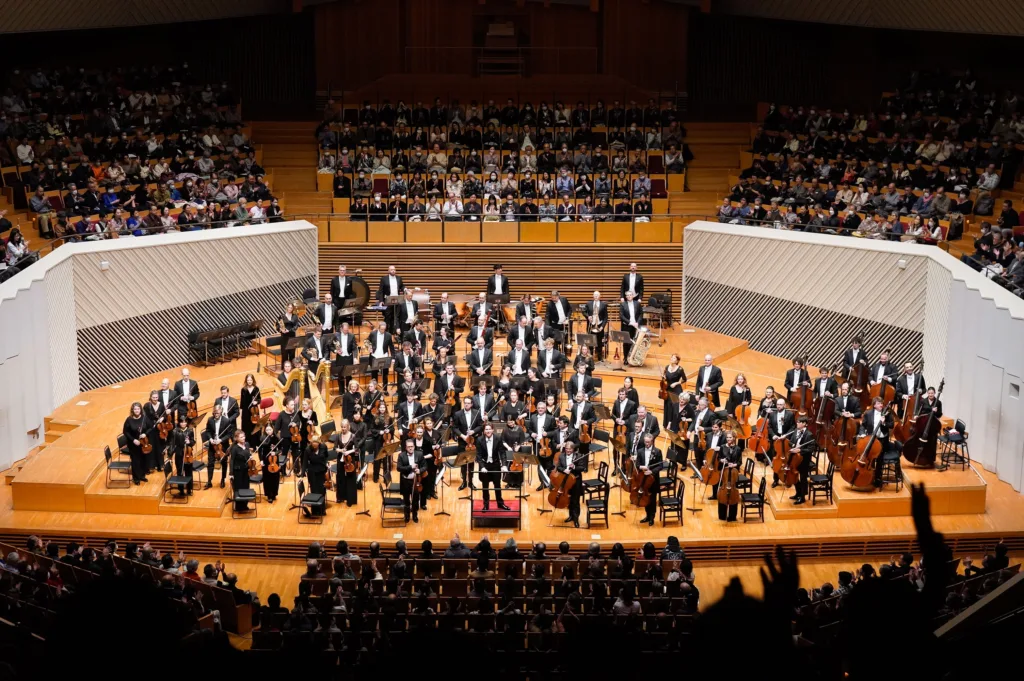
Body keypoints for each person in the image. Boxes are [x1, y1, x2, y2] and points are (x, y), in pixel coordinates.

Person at [476, 424, 510, 511]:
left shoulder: (498, 438)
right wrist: (482, 467)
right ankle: (486, 504)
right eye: (486, 429)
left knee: (497, 485)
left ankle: (500, 504)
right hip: (485, 465)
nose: (488, 431)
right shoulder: (479, 440)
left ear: (492, 430)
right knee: (485, 486)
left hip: (495, 464)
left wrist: (504, 465)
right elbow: (478, 455)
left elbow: (502, 453)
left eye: (489, 429)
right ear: (484, 431)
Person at [453, 397, 482, 490]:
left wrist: (473, 431)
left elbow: (481, 426)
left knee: (471, 462)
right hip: (463, 442)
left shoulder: (476, 413)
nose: (466, 404)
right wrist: (463, 436)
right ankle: (464, 482)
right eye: (465, 403)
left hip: (473, 442)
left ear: (472, 404)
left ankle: (470, 482)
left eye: (468, 403)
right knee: (463, 462)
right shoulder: (458, 414)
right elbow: (454, 428)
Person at [633, 433, 662, 526]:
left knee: (652, 499)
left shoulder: (657, 451)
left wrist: (651, 472)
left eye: (648, 442)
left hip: (652, 480)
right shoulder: (640, 451)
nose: (646, 444)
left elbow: (660, 466)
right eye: (645, 442)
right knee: (645, 498)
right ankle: (647, 516)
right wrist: (641, 467)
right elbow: (637, 464)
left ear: (652, 441)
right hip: (643, 479)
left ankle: (651, 518)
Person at [204, 404, 235, 489]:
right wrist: (210, 439)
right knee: (210, 463)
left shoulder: (226, 421)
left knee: (224, 463)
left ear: (221, 412)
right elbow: (208, 431)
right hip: (212, 445)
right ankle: (209, 481)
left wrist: (220, 440)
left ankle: (222, 479)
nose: (216, 415)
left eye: (217, 413)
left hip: (223, 445)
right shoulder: (210, 420)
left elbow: (229, 434)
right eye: (214, 413)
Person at [555, 441, 586, 527]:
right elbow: (559, 467)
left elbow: (582, 468)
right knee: (569, 500)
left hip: (576, 481)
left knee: (575, 501)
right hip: (566, 482)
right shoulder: (561, 456)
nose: (568, 451)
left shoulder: (578, 456)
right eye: (567, 449)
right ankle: (571, 516)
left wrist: (574, 467)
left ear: (573, 449)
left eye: (570, 449)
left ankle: (576, 519)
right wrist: (564, 470)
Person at [787, 417, 814, 504]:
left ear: (804, 424)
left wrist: (800, 450)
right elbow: (790, 442)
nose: (797, 424)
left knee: (803, 478)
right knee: (795, 477)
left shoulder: (809, 434)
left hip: (804, 460)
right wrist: (793, 445)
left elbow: (810, 449)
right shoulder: (796, 431)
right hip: (795, 459)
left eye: (799, 422)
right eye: (797, 422)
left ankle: (802, 497)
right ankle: (798, 493)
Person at [122, 402, 150, 485]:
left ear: (141, 409)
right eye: (135, 409)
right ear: (132, 410)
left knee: (143, 460)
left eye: (138, 409)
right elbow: (125, 432)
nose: (137, 411)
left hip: (144, 443)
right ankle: (136, 478)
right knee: (135, 461)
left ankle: (142, 476)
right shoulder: (129, 419)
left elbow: (150, 427)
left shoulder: (145, 418)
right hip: (133, 444)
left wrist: (146, 434)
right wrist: (133, 440)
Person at [397, 439, 425, 522]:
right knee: (406, 500)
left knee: (415, 500)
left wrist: (420, 470)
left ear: (414, 447)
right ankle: (407, 516)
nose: (410, 448)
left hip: (416, 481)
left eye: (412, 446)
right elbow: (399, 468)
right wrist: (410, 467)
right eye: (408, 447)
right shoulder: (401, 455)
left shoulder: (419, 454)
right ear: (406, 447)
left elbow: (425, 466)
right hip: (405, 481)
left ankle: (415, 516)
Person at [335, 419, 361, 507]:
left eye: (345, 427)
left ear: (348, 427)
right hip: (341, 459)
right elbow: (335, 448)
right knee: (340, 477)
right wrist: (341, 450)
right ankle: (341, 497)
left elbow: (357, 449)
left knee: (350, 478)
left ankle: (350, 499)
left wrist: (348, 452)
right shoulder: (338, 436)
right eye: (342, 427)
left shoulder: (352, 436)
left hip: (350, 459)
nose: (343, 429)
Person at [167, 416, 196, 496]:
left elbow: (193, 442)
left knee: (189, 472)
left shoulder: (190, 431)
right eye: (182, 422)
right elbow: (172, 444)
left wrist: (189, 442)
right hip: (179, 453)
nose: (183, 423)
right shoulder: (175, 431)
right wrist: (170, 455)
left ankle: (189, 489)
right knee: (180, 472)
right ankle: (181, 490)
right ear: (179, 422)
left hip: (188, 453)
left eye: (185, 422)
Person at [227, 431, 254, 513]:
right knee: (238, 488)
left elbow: (248, 455)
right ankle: (239, 507)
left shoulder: (247, 445)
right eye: (241, 437)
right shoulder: (234, 448)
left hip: (246, 470)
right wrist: (231, 473)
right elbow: (231, 461)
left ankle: (245, 505)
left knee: (246, 487)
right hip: (237, 471)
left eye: (244, 436)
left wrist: (251, 457)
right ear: (237, 438)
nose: (243, 438)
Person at [254, 423, 280, 503]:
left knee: (275, 477)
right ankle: (269, 495)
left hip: (275, 460)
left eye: (270, 430)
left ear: (273, 430)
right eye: (267, 430)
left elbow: (281, 449)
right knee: (267, 478)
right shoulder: (262, 438)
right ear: (265, 431)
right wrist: (261, 460)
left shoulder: (276, 438)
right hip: (265, 460)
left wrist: (275, 453)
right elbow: (259, 451)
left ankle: (274, 493)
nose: (268, 431)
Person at [304, 435, 329, 516]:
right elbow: (304, 463)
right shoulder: (308, 450)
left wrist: (327, 463)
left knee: (322, 491)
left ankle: (322, 510)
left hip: (322, 471)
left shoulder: (323, 447)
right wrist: (302, 474)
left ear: (319, 443)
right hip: (312, 473)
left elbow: (326, 456)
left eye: (316, 443)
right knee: (314, 491)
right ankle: (315, 511)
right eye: (313, 443)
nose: (314, 444)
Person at [662, 354, 686, 430]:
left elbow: (684, 379)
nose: (672, 359)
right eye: (671, 357)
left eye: (674, 358)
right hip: (667, 389)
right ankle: (666, 424)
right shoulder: (666, 367)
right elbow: (665, 376)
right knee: (667, 406)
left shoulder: (680, 369)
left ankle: (673, 424)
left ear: (677, 361)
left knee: (674, 406)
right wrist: (663, 377)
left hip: (676, 390)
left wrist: (676, 383)